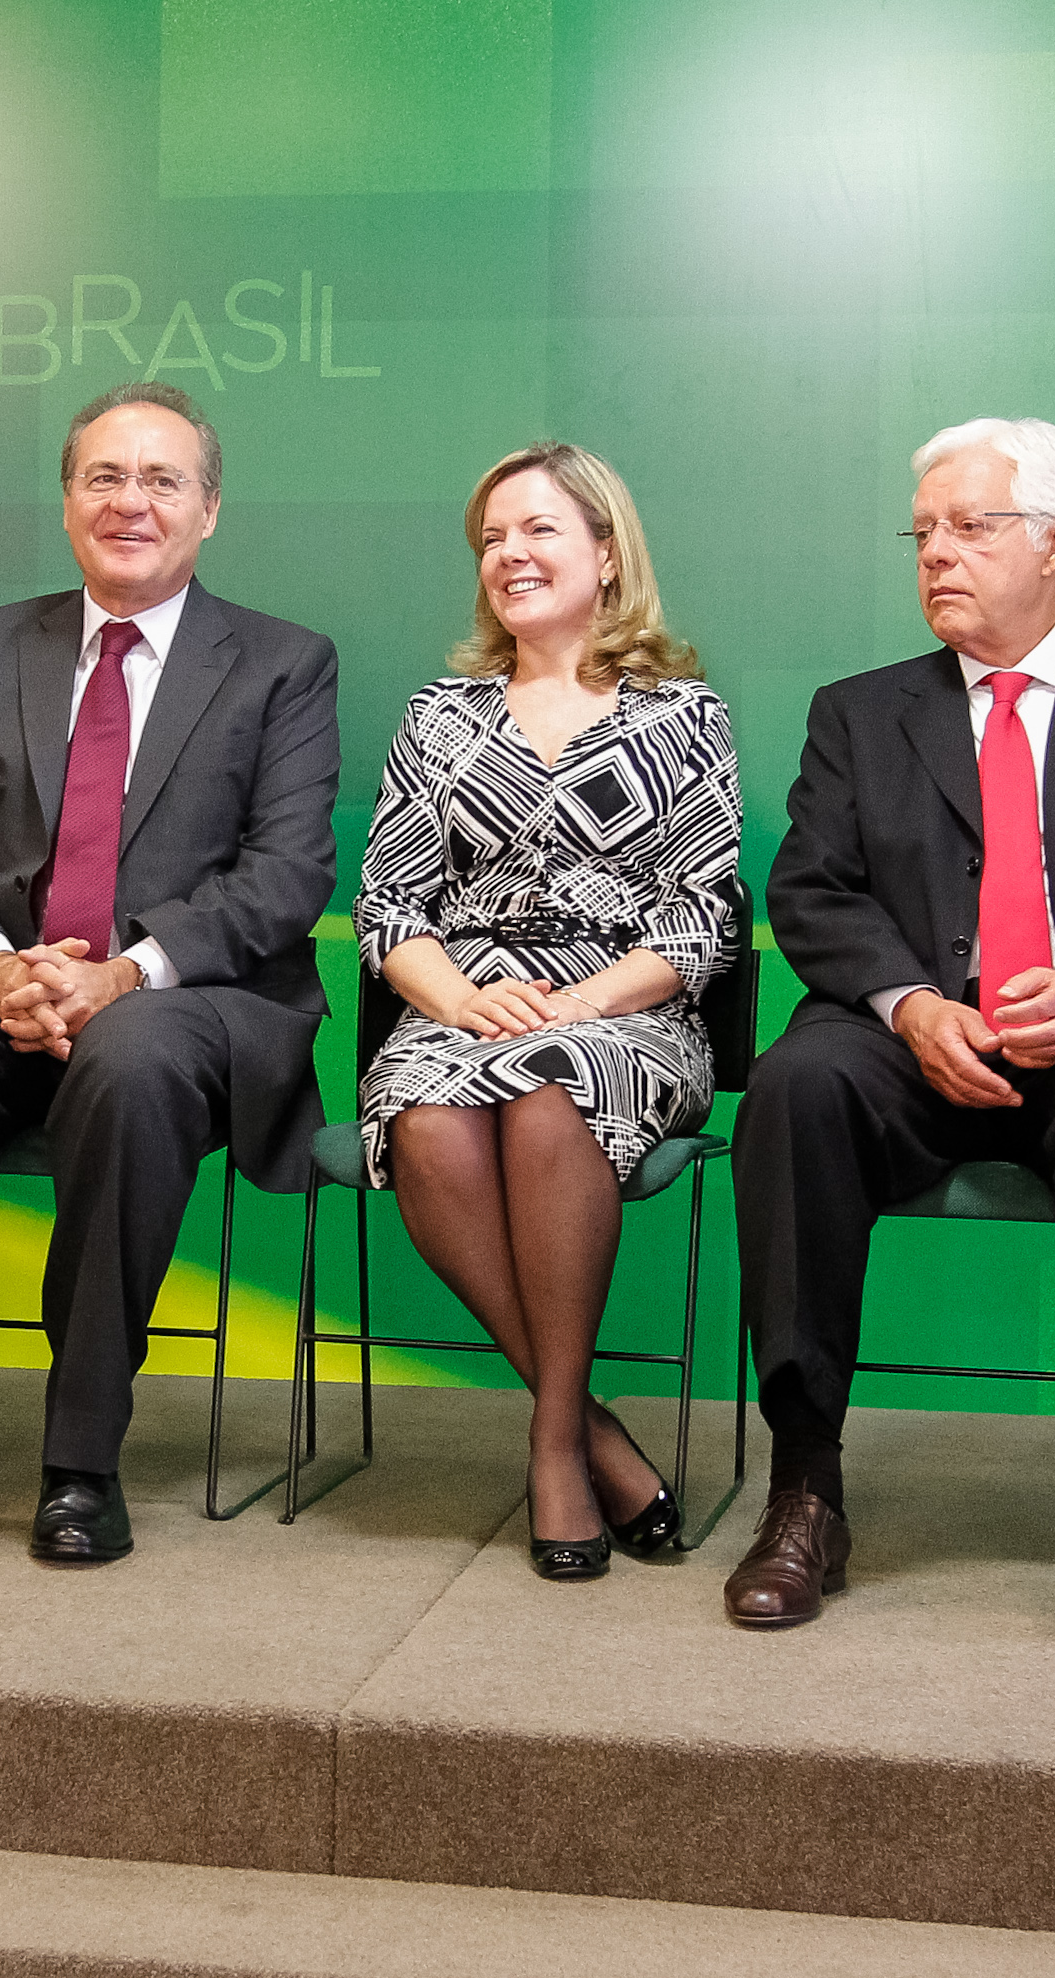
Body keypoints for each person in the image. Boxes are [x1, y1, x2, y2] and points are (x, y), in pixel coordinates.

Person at [0, 381, 339, 1570]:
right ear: (65, 503)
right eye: (104, 477)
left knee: (131, 1058)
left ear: (208, 511)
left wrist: (124, 975)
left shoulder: (283, 663)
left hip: (187, 1002)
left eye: (161, 480)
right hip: (0, 983)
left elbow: (285, 874)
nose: (129, 501)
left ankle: (81, 1457)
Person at [732, 417, 1055, 1641]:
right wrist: (911, 1005)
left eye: (969, 527)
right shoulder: (859, 712)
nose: (934, 554)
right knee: (796, 1083)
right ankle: (803, 1484)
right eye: (921, 532)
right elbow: (811, 891)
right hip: (910, 1038)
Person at [356, 442, 740, 1581]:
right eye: (492, 538)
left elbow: (701, 920)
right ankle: (584, 1427)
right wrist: (466, 1000)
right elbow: (390, 908)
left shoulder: (683, 714)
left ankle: (553, 1449)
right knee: (428, 1122)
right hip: (465, 1000)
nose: (509, 555)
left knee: (549, 1095)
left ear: (607, 553)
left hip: (628, 1005)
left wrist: (575, 1003)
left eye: (538, 531)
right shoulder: (440, 716)